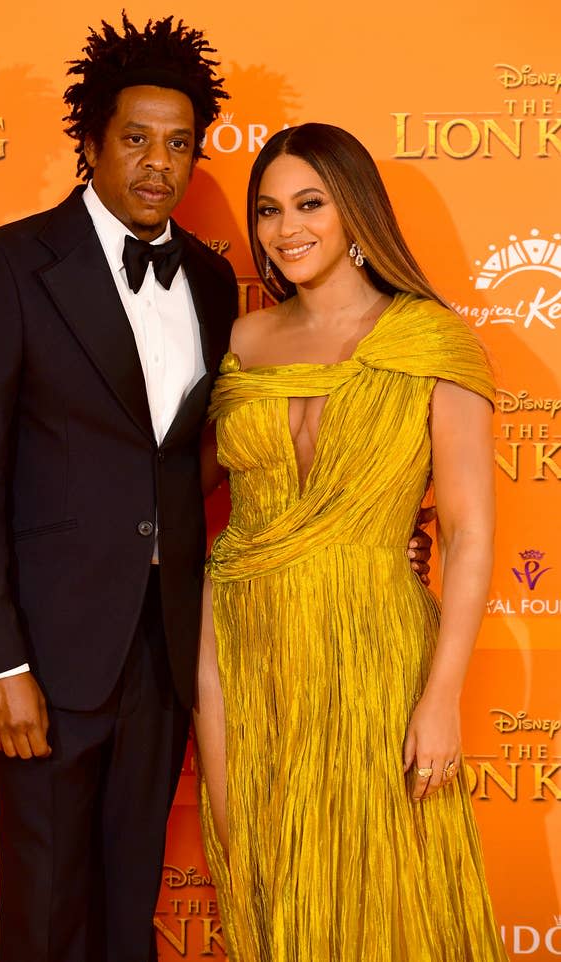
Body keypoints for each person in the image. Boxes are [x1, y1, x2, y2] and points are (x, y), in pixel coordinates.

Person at [0, 14, 237, 962]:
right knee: (44, 906)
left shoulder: (216, 284)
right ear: (91, 142)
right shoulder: (9, 264)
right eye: (137, 139)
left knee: (128, 899)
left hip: (164, 647)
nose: (159, 163)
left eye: (179, 144)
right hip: (46, 656)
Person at [194, 124, 508, 962]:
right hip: (238, 645)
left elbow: (473, 533)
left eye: (309, 204)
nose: (283, 228)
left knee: (387, 892)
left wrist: (441, 701)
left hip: (373, 646)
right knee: (261, 879)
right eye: (267, 209)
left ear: (355, 212)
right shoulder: (240, 343)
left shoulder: (430, 340)